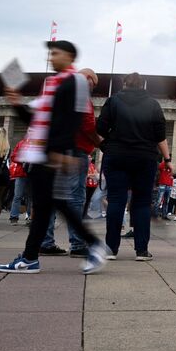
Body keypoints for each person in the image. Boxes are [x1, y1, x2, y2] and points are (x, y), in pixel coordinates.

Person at [0, 40, 108, 275]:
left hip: (53, 153)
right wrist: (17, 104)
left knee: (55, 204)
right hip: (41, 152)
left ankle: (89, 246)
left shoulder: (75, 81)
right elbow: (35, 118)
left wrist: (60, 150)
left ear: (68, 56)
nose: (51, 57)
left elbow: (75, 119)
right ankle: (30, 257)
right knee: (48, 205)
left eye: (55, 53)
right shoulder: (52, 83)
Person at [98, 72, 169, 261]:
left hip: (117, 155)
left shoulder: (112, 102)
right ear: (142, 85)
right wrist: (167, 159)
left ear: (124, 84)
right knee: (142, 202)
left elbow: (100, 130)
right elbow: (160, 135)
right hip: (144, 157)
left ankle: (111, 249)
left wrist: (106, 146)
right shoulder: (153, 104)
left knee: (116, 201)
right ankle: (141, 250)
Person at [39, 67, 101, 257]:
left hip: (53, 150)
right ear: (89, 79)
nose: (92, 88)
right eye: (94, 84)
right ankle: (77, 244)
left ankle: (45, 242)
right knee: (75, 197)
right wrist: (101, 143)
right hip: (74, 151)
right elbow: (89, 125)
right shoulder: (80, 92)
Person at [8, 138, 31, 224]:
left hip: (32, 174)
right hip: (21, 173)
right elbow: (13, 156)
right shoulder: (21, 143)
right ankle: (14, 217)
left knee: (30, 197)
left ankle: (30, 217)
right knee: (17, 195)